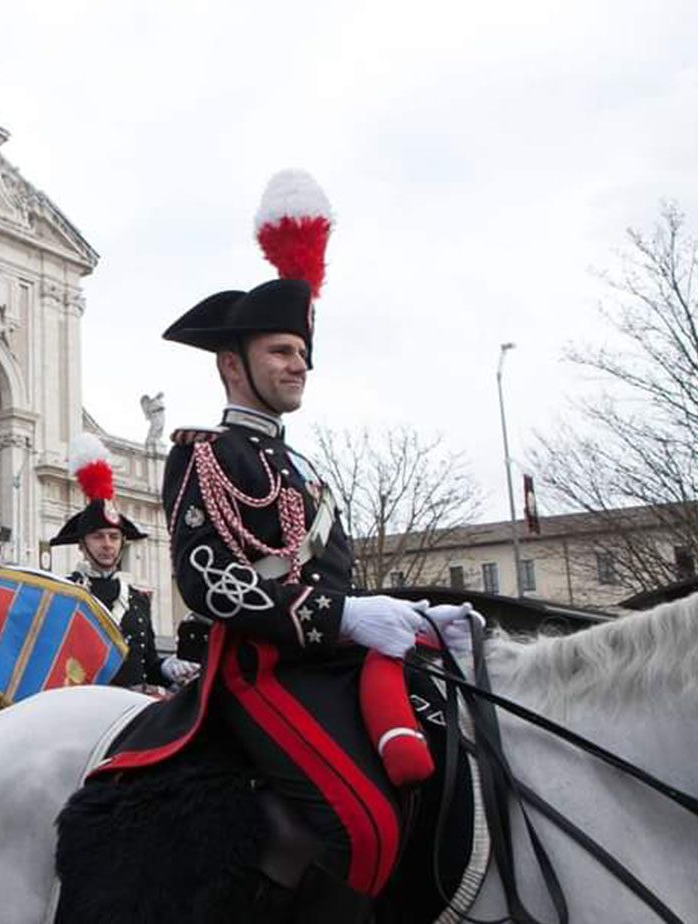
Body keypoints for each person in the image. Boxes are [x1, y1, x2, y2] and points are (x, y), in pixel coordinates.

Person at [92, 170, 472, 919]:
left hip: (333, 667)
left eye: (302, 350)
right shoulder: (204, 455)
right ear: (233, 364)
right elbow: (209, 582)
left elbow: (333, 578)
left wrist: (410, 617)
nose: (299, 363)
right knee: (360, 828)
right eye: (280, 350)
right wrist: (344, 620)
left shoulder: (303, 470)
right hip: (259, 671)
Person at [50, 432, 179, 691]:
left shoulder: (138, 599)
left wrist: (168, 668)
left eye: (113, 537)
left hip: (130, 709)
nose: (107, 544)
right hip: (81, 707)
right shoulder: (65, 593)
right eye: (98, 537)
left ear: (123, 543)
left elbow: (148, 666)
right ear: (82, 545)